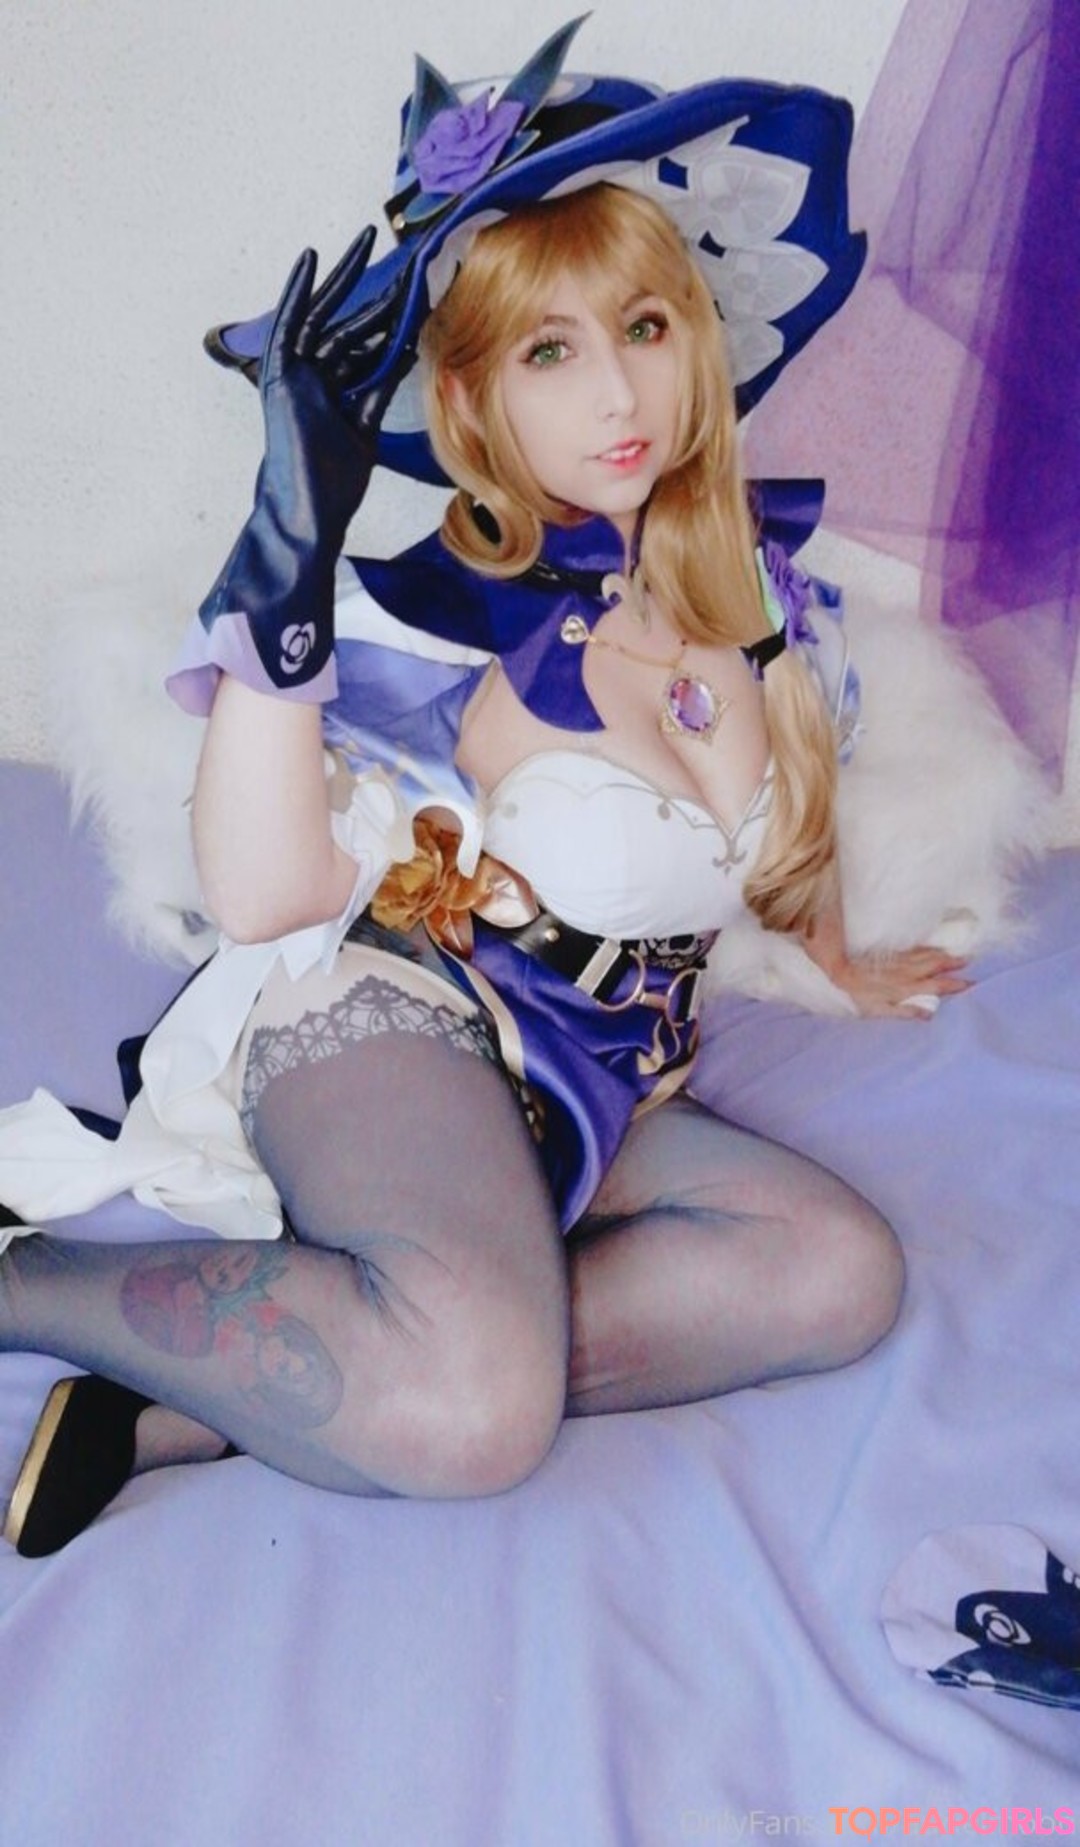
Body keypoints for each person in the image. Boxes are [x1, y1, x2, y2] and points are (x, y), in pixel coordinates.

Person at [0, 22, 968, 1556]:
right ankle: (28, 1285)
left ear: (700, 337)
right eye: (549, 352)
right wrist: (287, 549)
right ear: (472, 401)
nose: (619, 393)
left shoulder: (755, 594)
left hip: (589, 1077)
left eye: (644, 326)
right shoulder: (443, 615)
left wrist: (838, 961)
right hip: (395, 1019)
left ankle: (203, 1405)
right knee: (475, 1421)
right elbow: (265, 895)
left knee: (838, 1273)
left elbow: (772, 835)